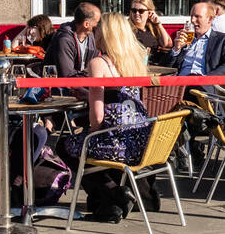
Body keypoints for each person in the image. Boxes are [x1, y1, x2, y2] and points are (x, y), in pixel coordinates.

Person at [61, 12, 156, 223]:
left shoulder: (99, 63)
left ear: (103, 33)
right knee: (84, 144)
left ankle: (112, 195)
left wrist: (91, 129)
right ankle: (112, 197)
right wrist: (90, 95)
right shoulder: (135, 60)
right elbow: (121, 95)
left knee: (66, 145)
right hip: (139, 140)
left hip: (116, 143)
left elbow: (96, 120)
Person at [170, 0, 225, 78]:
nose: (192, 20)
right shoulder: (185, 39)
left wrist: (206, 79)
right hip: (179, 82)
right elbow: (166, 67)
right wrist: (176, 49)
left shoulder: (223, 39)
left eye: (197, 16)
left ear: (209, 19)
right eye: (191, 16)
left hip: (203, 84)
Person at [46, 3, 102, 78]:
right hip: (61, 86)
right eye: (97, 22)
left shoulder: (92, 37)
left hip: (83, 83)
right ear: (86, 24)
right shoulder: (64, 39)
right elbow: (67, 74)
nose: (99, 25)